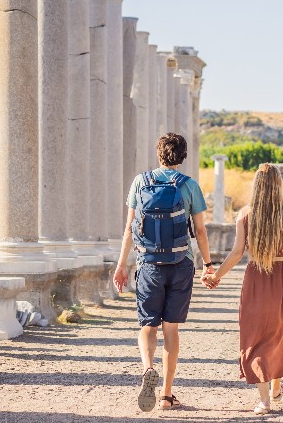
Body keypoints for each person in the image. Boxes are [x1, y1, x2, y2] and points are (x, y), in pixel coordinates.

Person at [112, 133, 215, 412]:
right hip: (181, 263)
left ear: (158, 154)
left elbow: (129, 228)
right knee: (171, 329)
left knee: (147, 326)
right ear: (182, 157)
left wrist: (122, 265)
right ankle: (167, 395)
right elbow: (201, 231)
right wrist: (208, 264)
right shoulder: (189, 185)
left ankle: (147, 369)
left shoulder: (140, 182)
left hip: (148, 264)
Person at [202, 163, 283, 415]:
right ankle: (274, 387)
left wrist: (214, 276)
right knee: (281, 333)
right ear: (278, 185)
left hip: (257, 278)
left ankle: (266, 399)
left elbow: (237, 252)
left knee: (257, 337)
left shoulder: (245, 214)